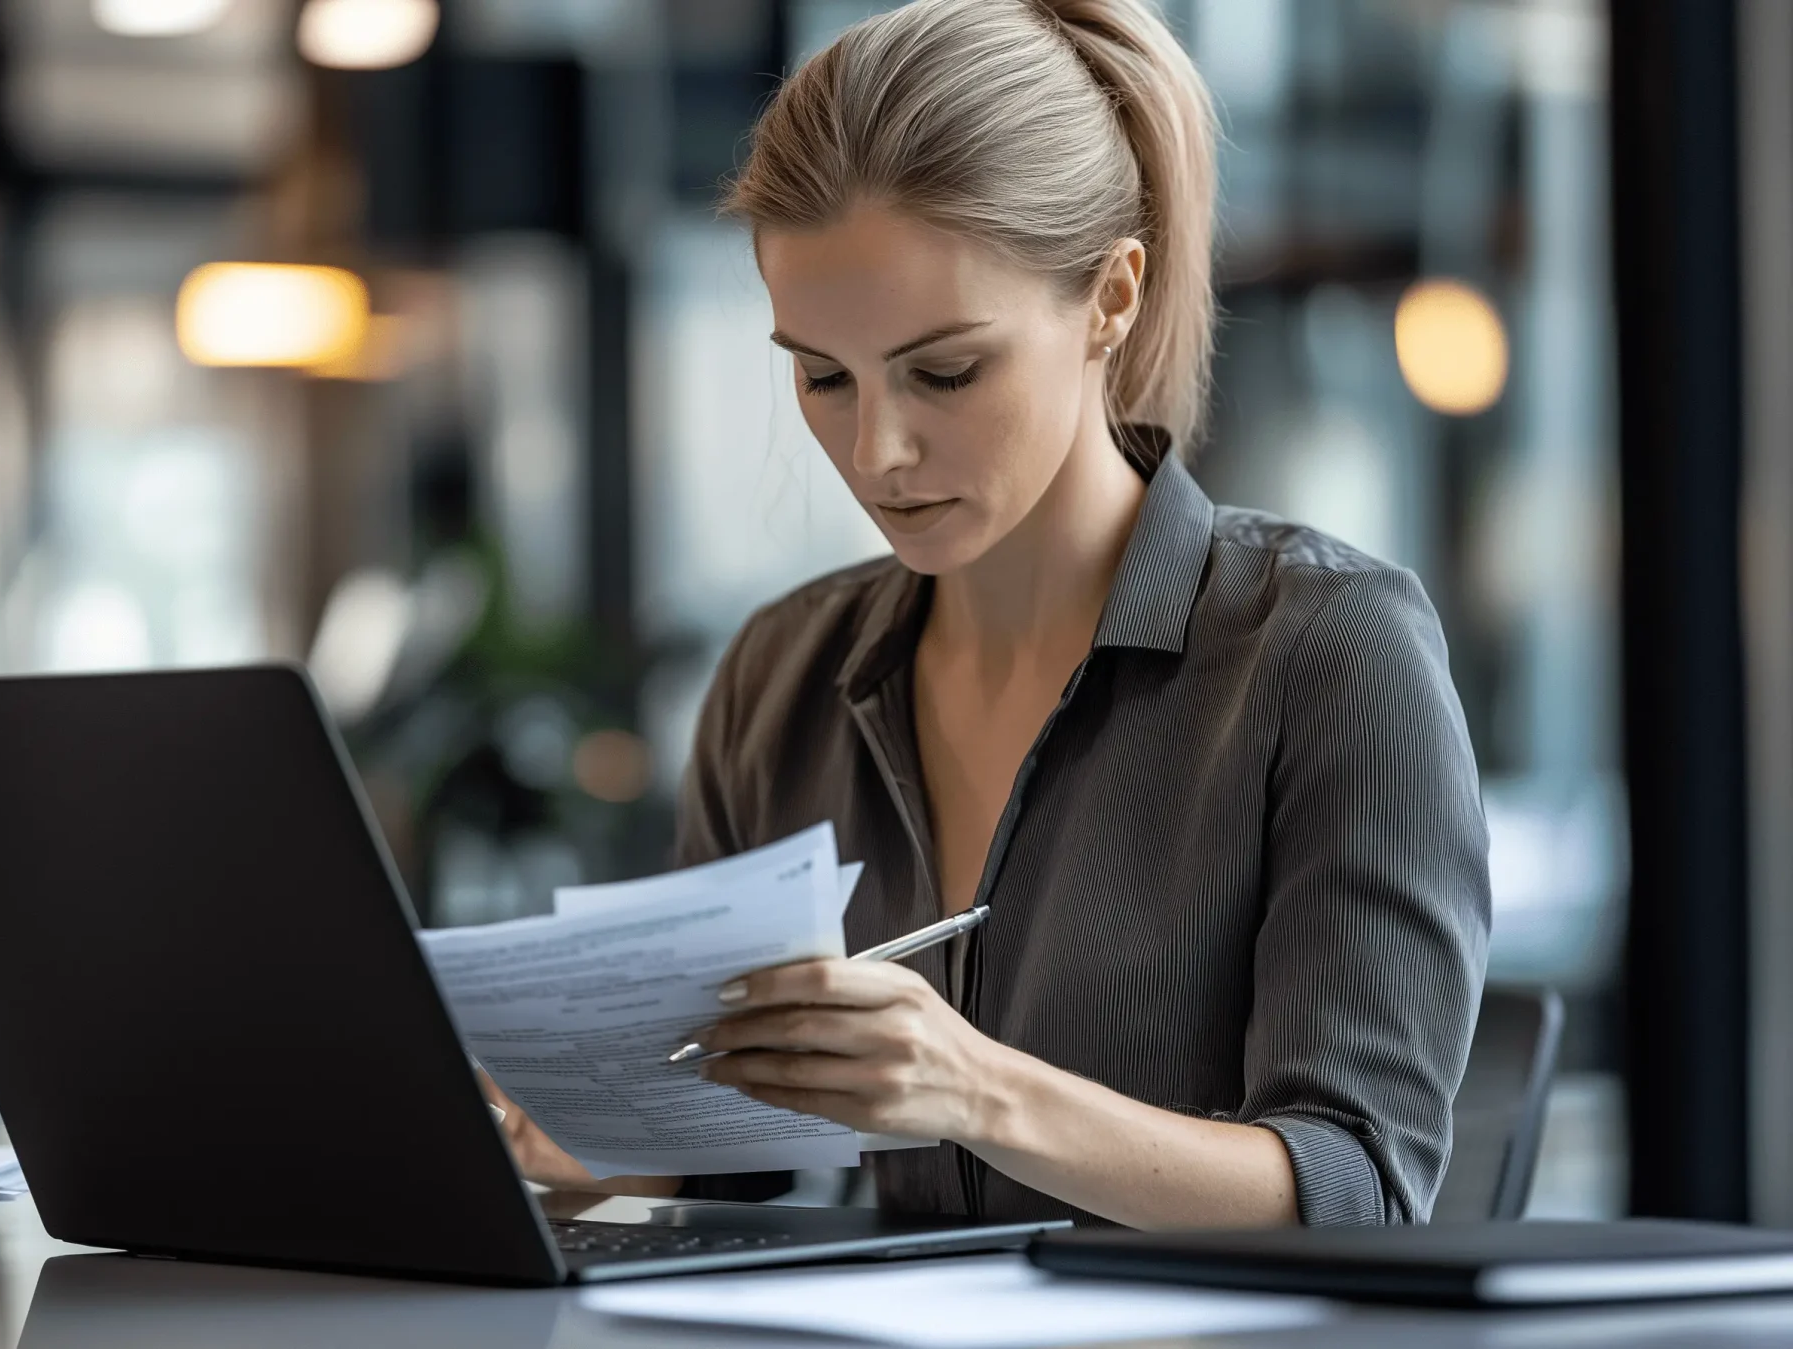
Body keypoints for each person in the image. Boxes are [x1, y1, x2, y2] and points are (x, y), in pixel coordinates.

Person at [484, 0, 1489, 1229]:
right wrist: (572, 1140)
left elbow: (1360, 1191)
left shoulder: (1325, 653)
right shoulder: (782, 674)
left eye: (944, 371)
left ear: (1111, 297)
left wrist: (976, 1088)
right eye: (821, 375)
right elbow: (721, 1157)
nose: (876, 449)